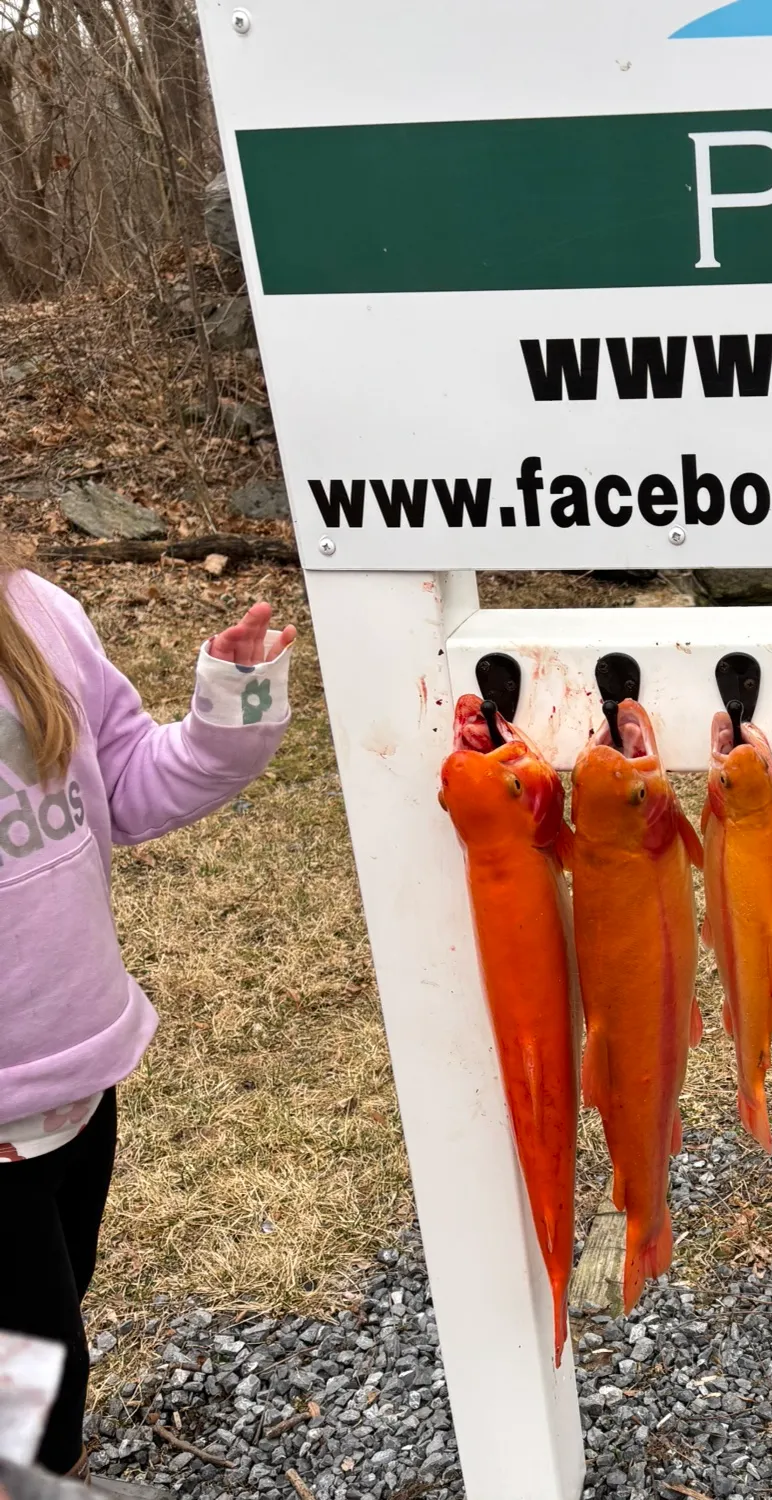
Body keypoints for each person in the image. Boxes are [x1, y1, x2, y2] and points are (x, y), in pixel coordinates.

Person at [0, 542, 296, 1490]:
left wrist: (236, 705)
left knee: (47, 1329)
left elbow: (126, 782)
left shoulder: (36, 609)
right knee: (31, 1385)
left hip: (77, 1082)